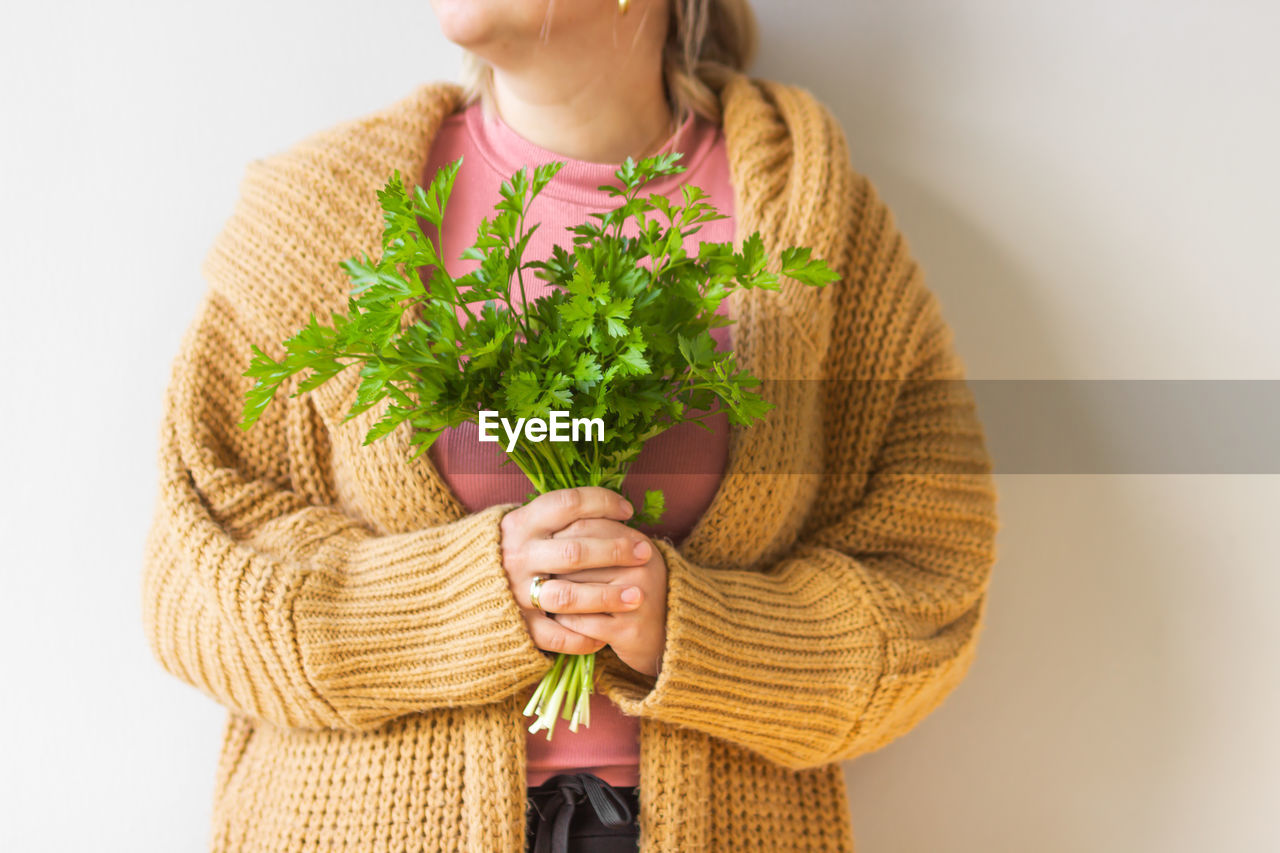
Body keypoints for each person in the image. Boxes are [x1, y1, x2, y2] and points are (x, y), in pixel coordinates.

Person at [140, 1, 999, 851]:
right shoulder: (319, 218)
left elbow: (927, 584)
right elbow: (194, 579)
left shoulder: (817, 225)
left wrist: (693, 629)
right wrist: (464, 598)